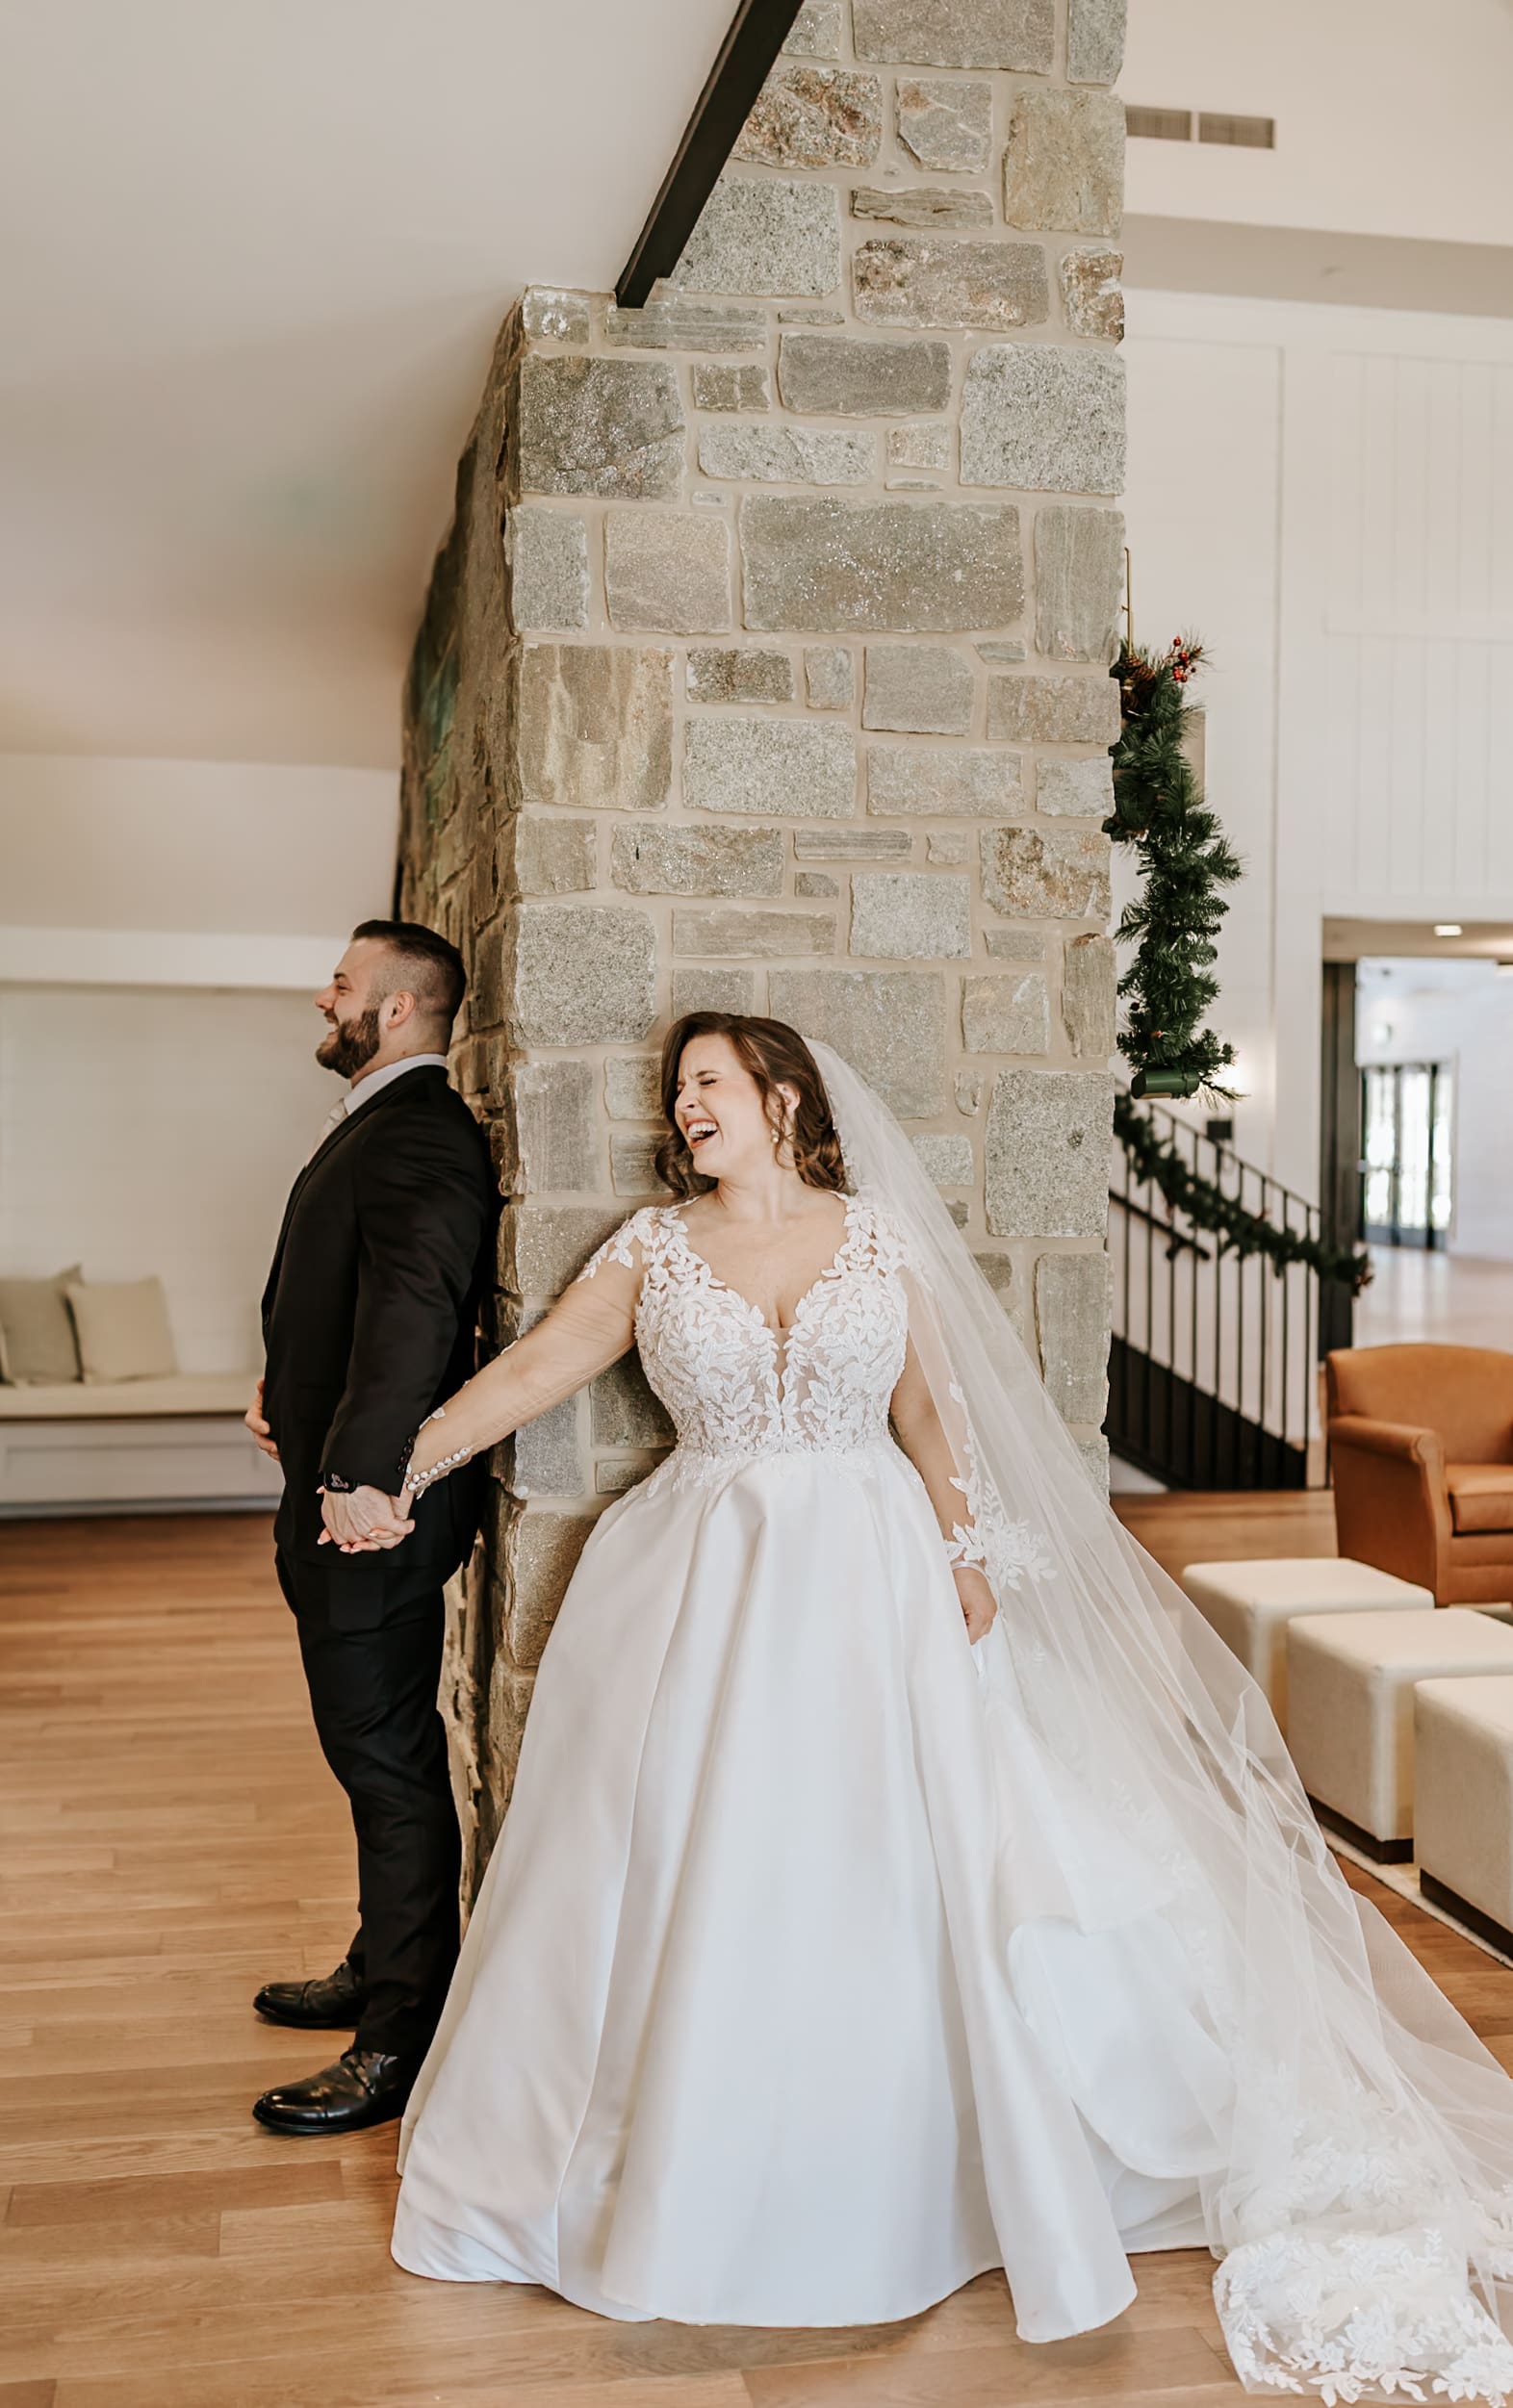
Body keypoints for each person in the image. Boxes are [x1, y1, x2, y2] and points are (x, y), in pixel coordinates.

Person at [340, 1012, 1513, 2400]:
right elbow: (536, 1369)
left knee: (901, 1859)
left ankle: (930, 2165)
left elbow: (932, 1419)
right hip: (701, 1583)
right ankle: (687, 2158)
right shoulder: (652, 1249)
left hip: (873, 1579)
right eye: (677, 1090)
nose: (686, 1105)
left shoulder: (877, 1236)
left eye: (708, 1082)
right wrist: (397, 1463)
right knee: (692, 1858)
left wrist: (966, 1552)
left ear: (781, 1095)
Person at [244, 920, 498, 2137]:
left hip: (371, 1515)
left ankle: (397, 2033)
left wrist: (358, 1471)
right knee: (369, 1752)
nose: (321, 996)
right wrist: (279, 1384)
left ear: (396, 1010)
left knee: (388, 1760)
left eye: (340, 984)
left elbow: (413, 1307)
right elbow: (344, 1292)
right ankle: (379, 1958)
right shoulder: (383, 1121)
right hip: (338, 1485)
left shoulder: (424, 1134)